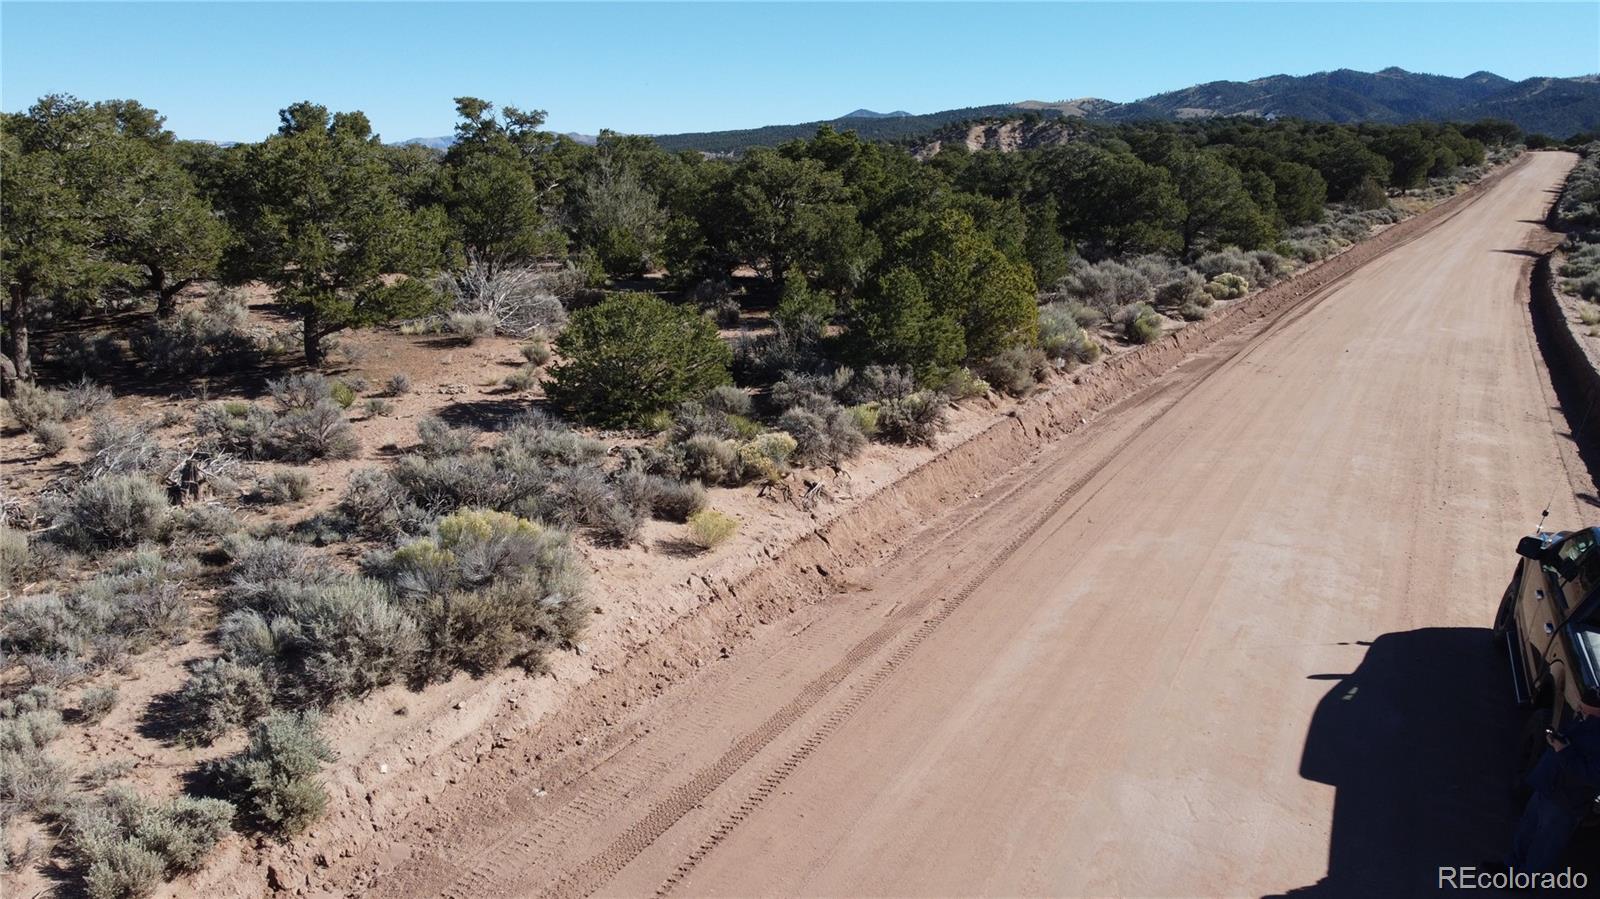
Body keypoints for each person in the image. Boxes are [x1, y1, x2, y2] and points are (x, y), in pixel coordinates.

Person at [1507, 690, 1600, 874]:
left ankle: (1526, 879)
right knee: (1526, 830)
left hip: (1567, 802)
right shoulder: (1584, 720)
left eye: (1585, 710)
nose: (1580, 710)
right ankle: (1510, 868)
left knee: (1544, 845)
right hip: (1548, 786)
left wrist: (1563, 750)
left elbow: (1591, 776)